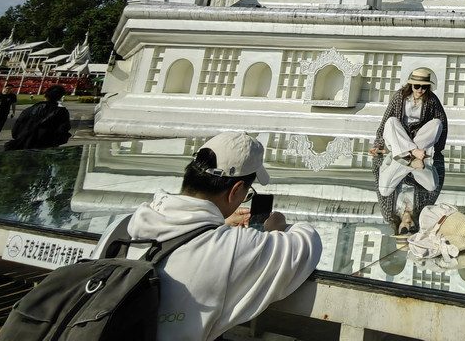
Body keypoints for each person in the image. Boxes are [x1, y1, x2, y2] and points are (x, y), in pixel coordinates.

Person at [94, 131, 322, 341]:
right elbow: (307, 242)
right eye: (246, 193)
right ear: (236, 190)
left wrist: (218, 224)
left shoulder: (121, 227)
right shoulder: (232, 247)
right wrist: (276, 227)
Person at [370, 68, 448, 159]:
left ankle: (409, 150)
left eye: (424, 87)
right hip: (400, 138)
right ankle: (413, 151)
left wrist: (439, 148)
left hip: (419, 141)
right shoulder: (399, 96)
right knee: (391, 121)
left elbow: (443, 120)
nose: (420, 90)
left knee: (437, 123)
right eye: (417, 86)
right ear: (411, 85)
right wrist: (378, 145)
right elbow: (385, 119)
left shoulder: (432, 99)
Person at [6, 84, 71, 150]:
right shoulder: (62, 112)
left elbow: (15, 131)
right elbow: (63, 131)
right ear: (60, 97)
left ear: (45, 95)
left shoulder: (29, 110)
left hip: (24, 146)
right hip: (46, 147)